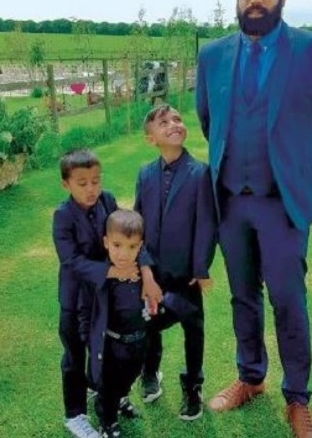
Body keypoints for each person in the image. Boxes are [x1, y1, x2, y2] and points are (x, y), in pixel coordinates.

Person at [195, 0, 312, 438]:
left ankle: (297, 399)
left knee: (288, 300)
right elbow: (209, 121)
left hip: (282, 204)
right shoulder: (212, 55)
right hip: (230, 201)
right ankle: (250, 377)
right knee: (242, 296)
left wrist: (293, 162)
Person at [52, 149, 161, 438]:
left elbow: (129, 235)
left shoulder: (107, 200)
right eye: (82, 183)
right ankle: (75, 414)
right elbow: (70, 261)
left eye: (96, 181)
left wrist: (147, 274)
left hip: (106, 296)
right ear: (66, 184)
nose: (91, 189)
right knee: (75, 353)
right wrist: (112, 272)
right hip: (76, 297)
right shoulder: (63, 216)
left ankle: (111, 394)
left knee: (108, 350)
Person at [135, 104, 217, 421]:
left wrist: (200, 268)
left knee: (193, 328)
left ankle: (193, 385)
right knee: (148, 323)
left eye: (178, 119)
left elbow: (206, 224)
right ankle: (150, 371)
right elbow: (137, 225)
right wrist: (144, 269)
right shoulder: (145, 174)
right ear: (151, 139)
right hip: (152, 274)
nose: (174, 124)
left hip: (186, 275)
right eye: (164, 122)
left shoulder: (201, 173)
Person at [90, 209, 156, 438]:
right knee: (109, 385)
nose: (123, 254)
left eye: (131, 247)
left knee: (131, 375)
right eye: (117, 245)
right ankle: (107, 421)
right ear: (106, 243)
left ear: (140, 247)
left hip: (139, 341)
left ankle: (121, 398)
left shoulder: (142, 272)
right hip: (113, 344)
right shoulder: (104, 276)